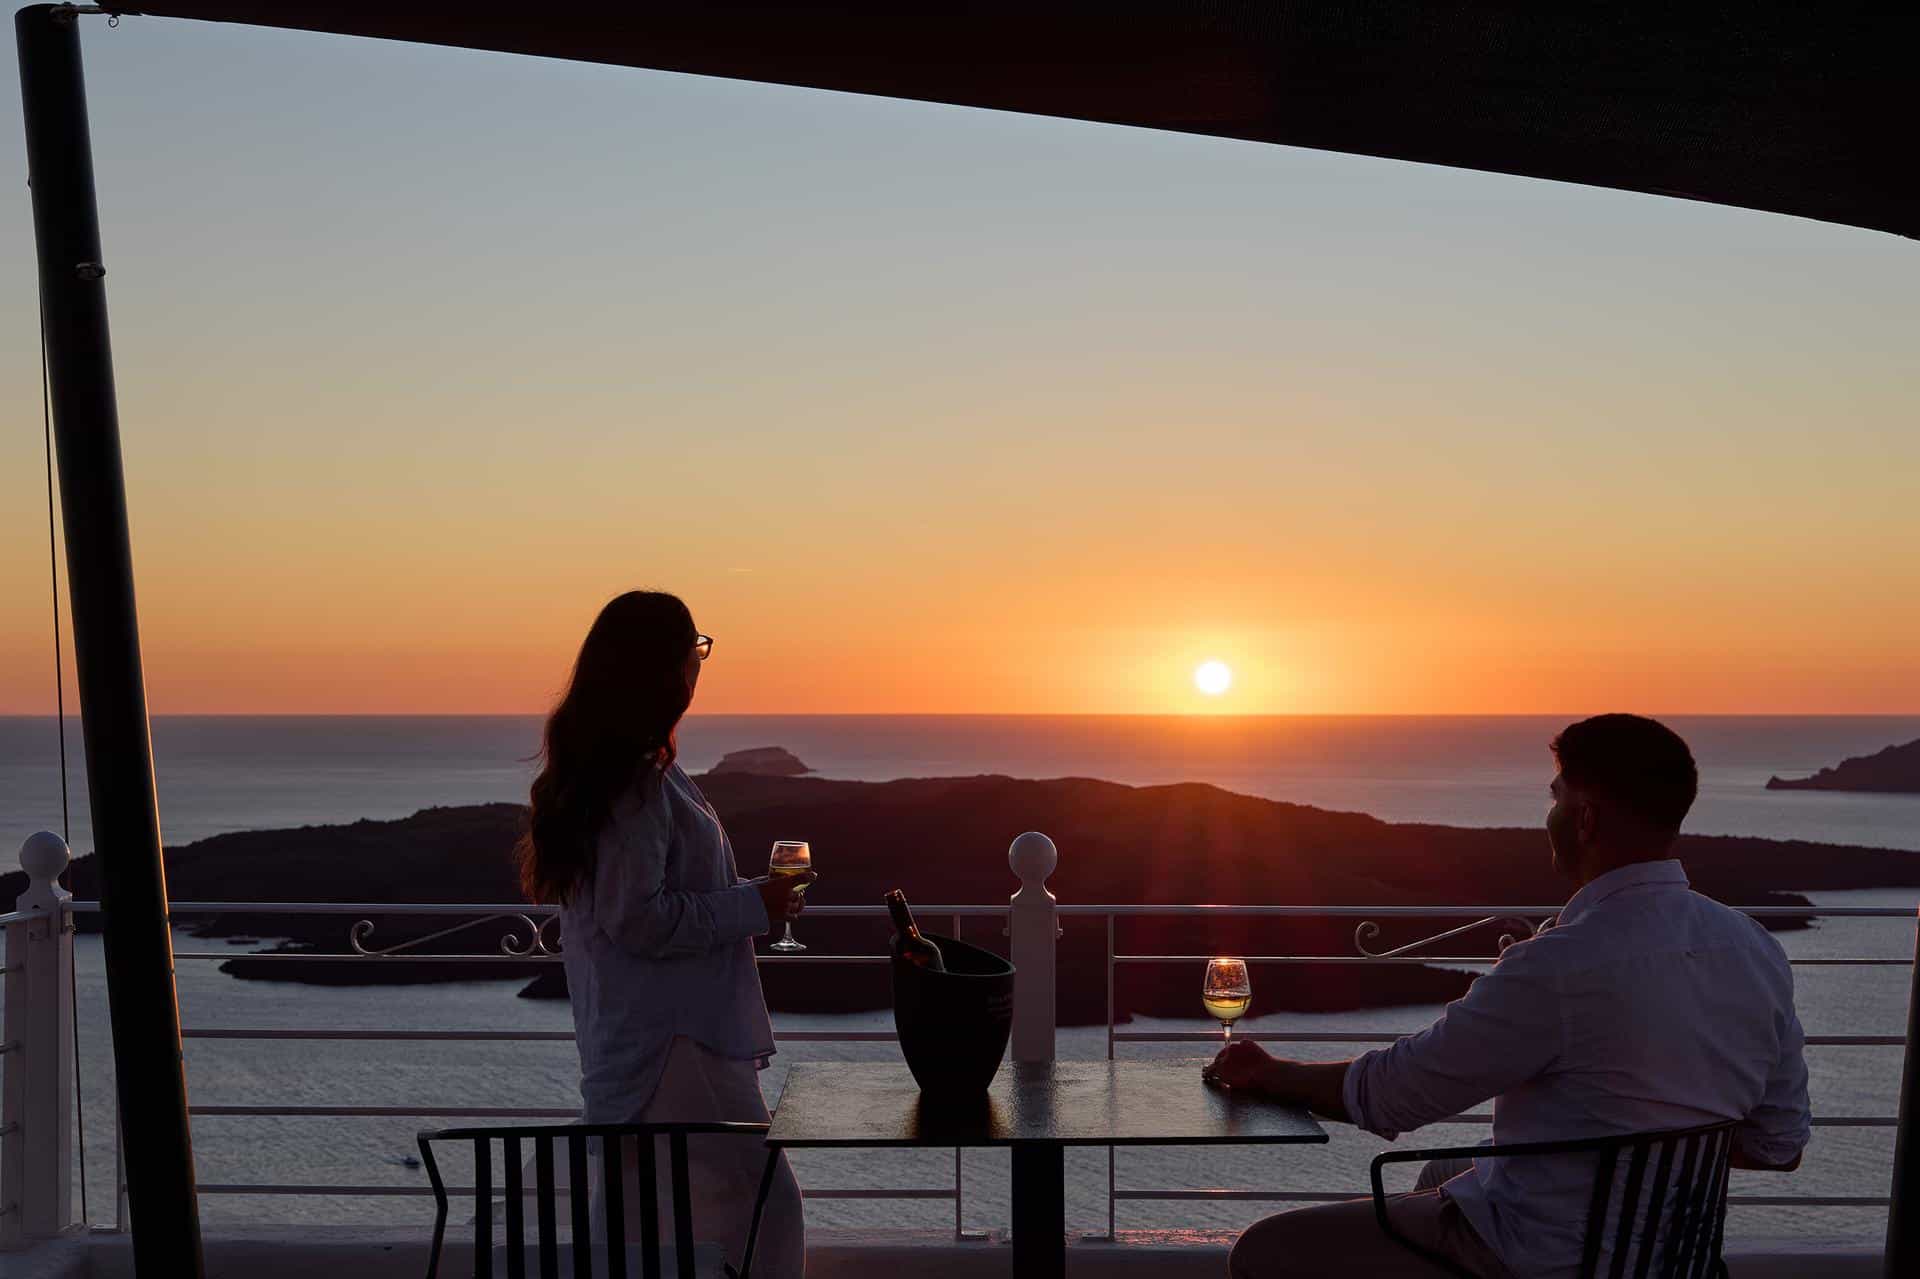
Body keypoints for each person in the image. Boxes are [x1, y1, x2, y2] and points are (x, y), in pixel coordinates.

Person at [1209, 713, 1810, 1279]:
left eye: (1556, 798)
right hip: (1673, 1257)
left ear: (1586, 819)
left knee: (1264, 1252)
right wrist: (1652, 1150)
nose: (1548, 815)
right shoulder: (1753, 947)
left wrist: (1269, 1072)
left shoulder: (1557, 965)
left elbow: (1394, 1096)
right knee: (1443, 1173)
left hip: (1537, 1254)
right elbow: (1778, 1146)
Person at [518, 590, 812, 1276]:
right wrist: (755, 906)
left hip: (635, 1039)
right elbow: (638, 918)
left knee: (636, 1224)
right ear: (669, 666)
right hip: (675, 1045)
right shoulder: (635, 784)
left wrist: (751, 901)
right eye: (696, 648)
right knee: (768, 1210)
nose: (699, 663)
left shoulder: (627, 770)